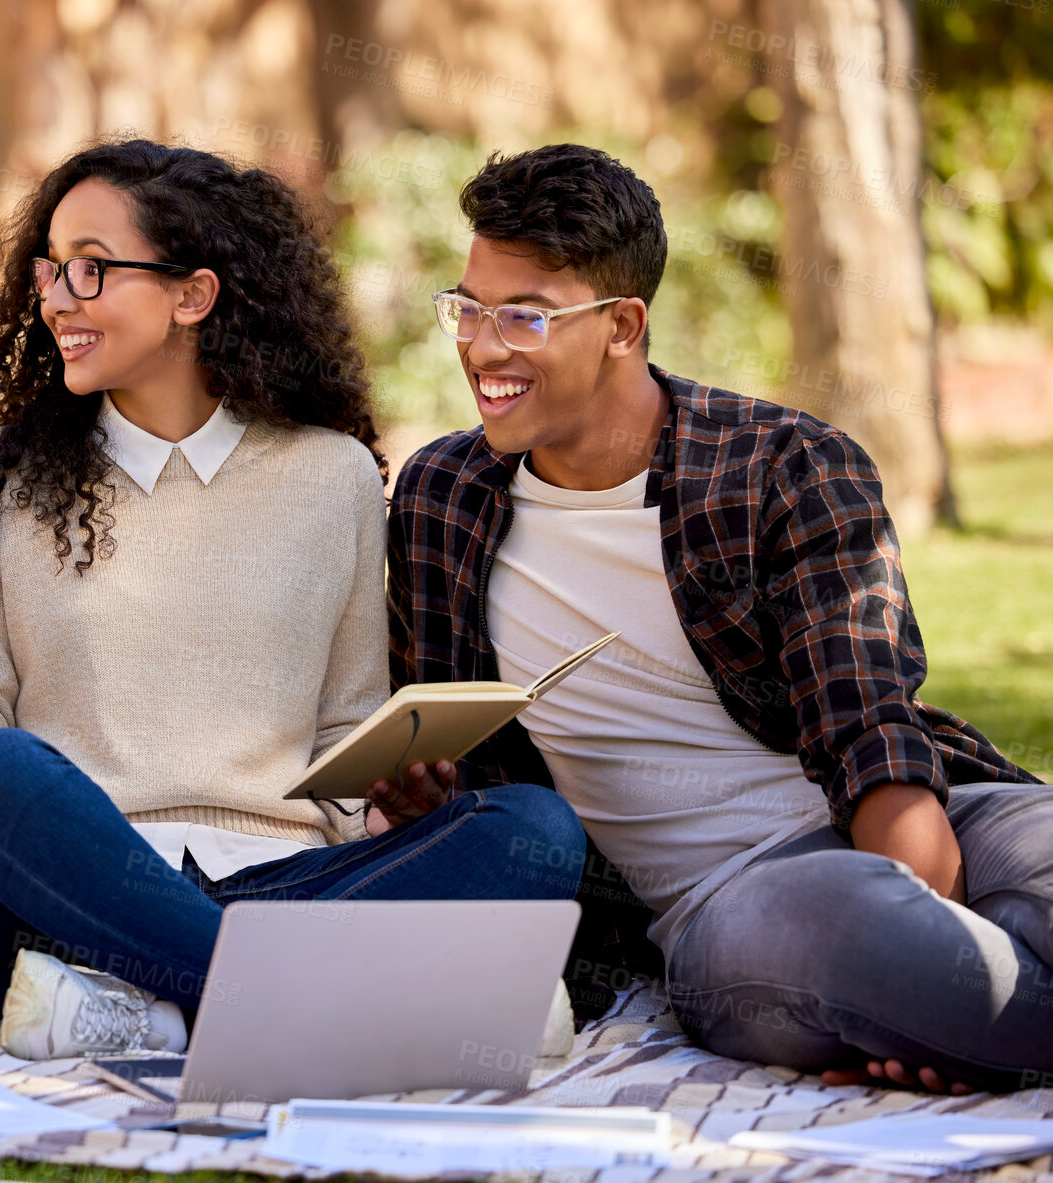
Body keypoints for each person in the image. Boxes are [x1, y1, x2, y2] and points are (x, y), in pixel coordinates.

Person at [0, 139, 587, 1060]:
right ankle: (334, 997)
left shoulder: (331, 476)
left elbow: (344, 721)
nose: (58, 297)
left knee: (535, 831)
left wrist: (390, 796)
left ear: (194, 295)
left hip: (286, 880)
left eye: (93, 270)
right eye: (52, 270)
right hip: (72, 897)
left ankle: (160, 998)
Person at [387, 142, 1049, 1095]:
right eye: (470, 306)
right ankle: (954, 993)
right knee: (847, 924)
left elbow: (869, 725)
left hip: (917, 820)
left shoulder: (784, 466)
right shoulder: (444, 498)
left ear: (623, 325)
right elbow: (461, 750)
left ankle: (968, 1010)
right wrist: (420, 792)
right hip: (729, 906)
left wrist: (930, 945)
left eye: (526, 316)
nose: (482, 347)